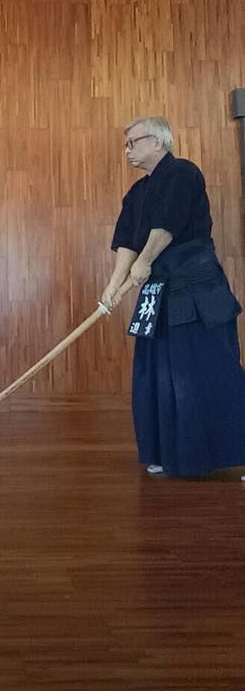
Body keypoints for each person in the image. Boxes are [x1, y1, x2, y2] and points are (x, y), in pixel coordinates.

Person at [101, 116, 245, 479]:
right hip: (157, 291)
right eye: (126, 144)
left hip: (196, 288)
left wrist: (145, 262)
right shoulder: (137, 192)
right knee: (158, 372)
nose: (127, 150)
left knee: (211, 368)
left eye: (133, 142)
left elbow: (165, 226)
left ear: (158, 142)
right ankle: (169, 452)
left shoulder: (183, 172)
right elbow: (128, 241)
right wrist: (114, 285)